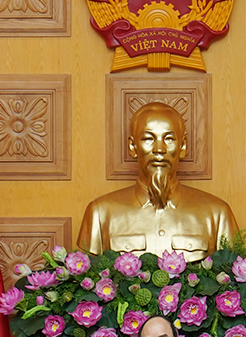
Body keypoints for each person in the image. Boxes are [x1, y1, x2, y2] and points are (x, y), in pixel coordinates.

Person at [76, 102, 236, 261]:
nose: (159, 149)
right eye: (148, 139)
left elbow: (230, 270)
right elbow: (89, 271)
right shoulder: (100, 214)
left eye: (169, 139)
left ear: (183, 147)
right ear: (132, 146)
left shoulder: (217, 214)